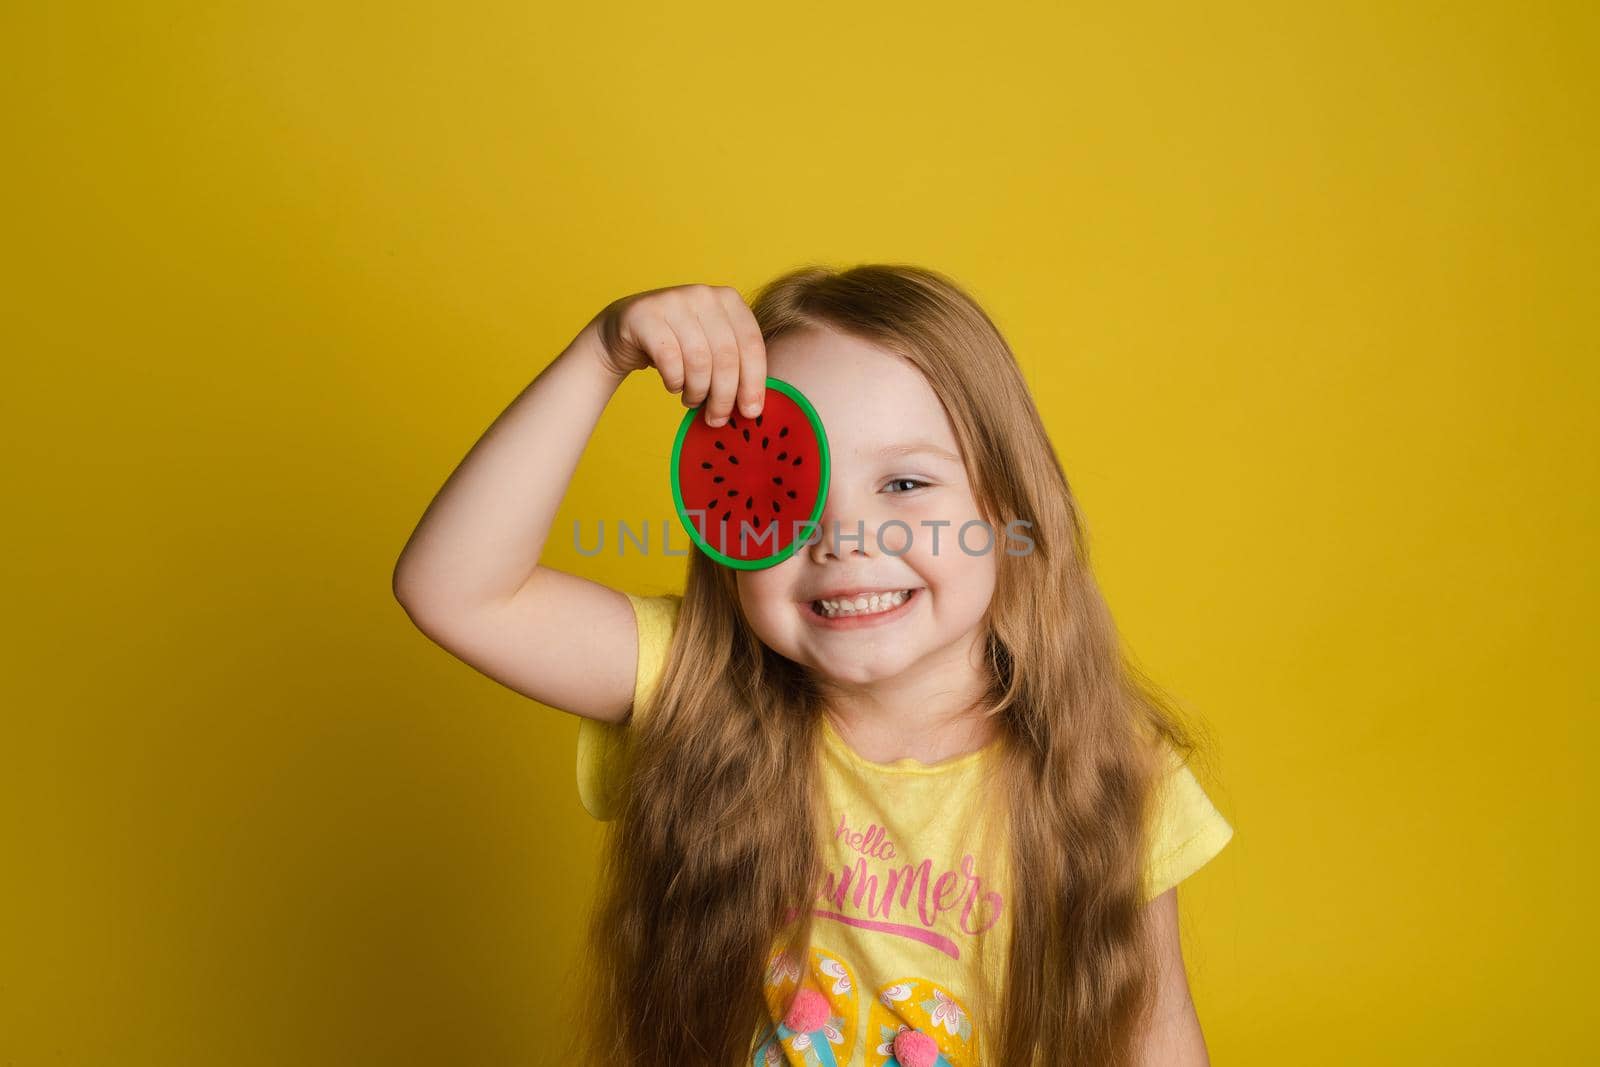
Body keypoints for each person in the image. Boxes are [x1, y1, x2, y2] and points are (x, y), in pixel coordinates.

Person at [392, 264, 1235, 1066]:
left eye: (904, 485)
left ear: (1008, 507)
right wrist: (602, 353)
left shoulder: (1108, 770)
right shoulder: (697, 691)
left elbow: (1151, 1030)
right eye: (780, 490)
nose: (842, 539)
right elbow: (456, 591)